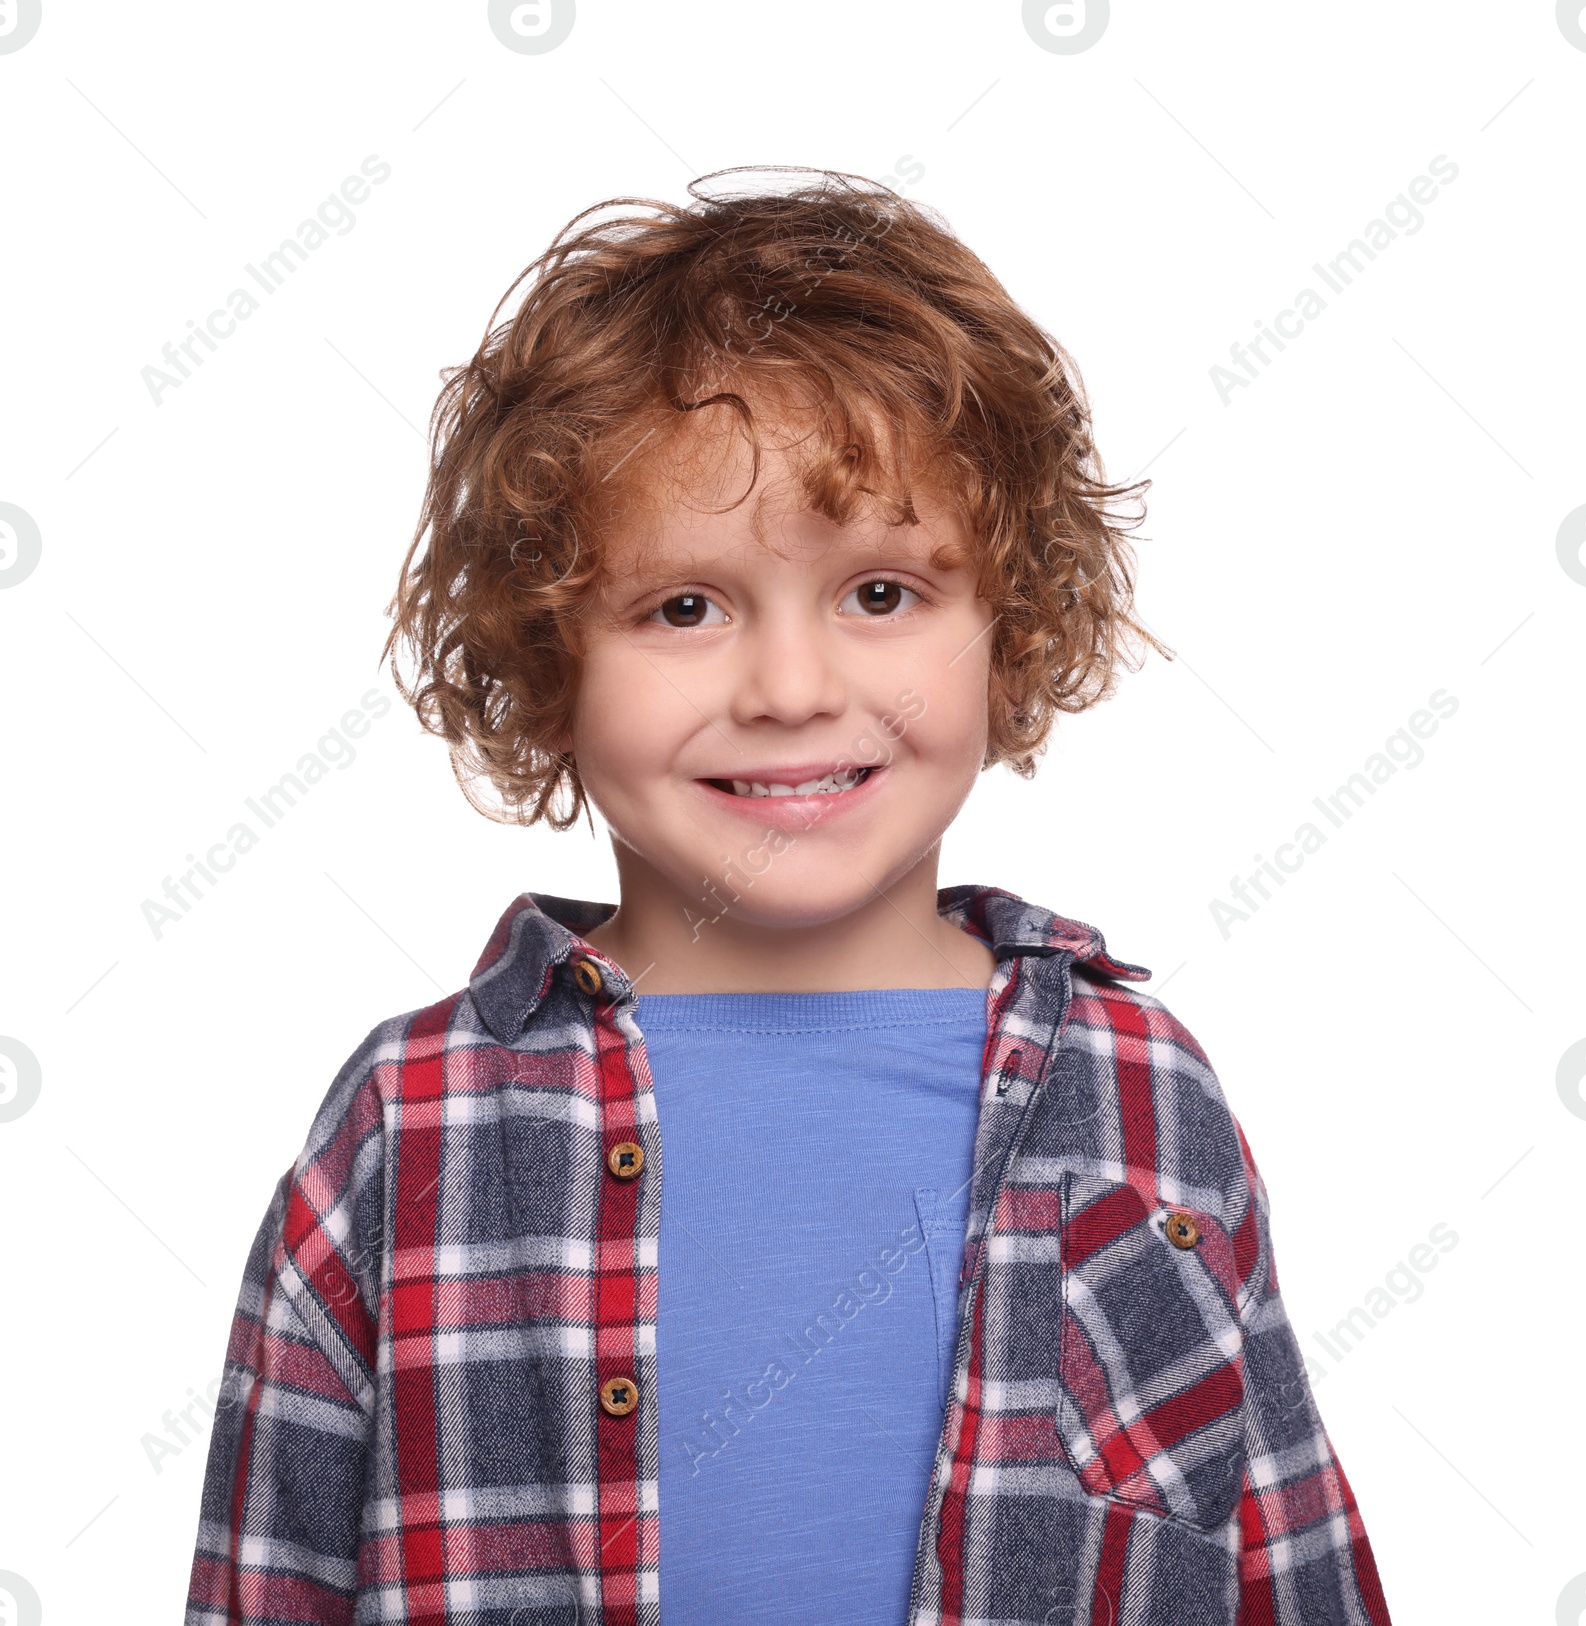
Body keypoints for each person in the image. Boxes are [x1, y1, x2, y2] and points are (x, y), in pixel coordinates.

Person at [184, 168, 1391, 1625]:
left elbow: (1287, 1565)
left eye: (882, 592)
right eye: (682, 607)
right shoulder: (415, 1122)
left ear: (1008, 626)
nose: (794, 690)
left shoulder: (1139, 1096)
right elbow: (267, 1583)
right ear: (549, 656)